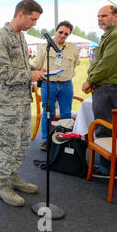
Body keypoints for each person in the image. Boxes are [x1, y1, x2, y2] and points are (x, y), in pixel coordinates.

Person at [0, 0, 46, 207]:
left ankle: (12, 176)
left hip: (22, 100)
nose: (34, 24)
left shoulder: (20, 37)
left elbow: (20, 66)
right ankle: (1, 185)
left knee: (21, 142)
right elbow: (0, 72)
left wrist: (36, 71)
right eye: (32, 19)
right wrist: (30, 74)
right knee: (7, 144)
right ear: (20, 14)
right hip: (7, 102)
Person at [82, 5, 117, 177]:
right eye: (98, 16)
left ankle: (109, 170)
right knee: (109, 129)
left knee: (106, 130)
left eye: (104, 15)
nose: (100, 19)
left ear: (116, 17)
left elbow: (107, 64)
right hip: (104, 88)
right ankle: (113, 167)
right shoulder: (108, 36)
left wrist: (90, 80)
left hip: (109, 89)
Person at [33, 21, 80, 151]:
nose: (63, 35)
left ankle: (63, 139)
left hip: (66, 85)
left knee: (66, 113)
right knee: (47, 113)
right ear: (55, 31)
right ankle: (46, 140)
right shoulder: (44, 47)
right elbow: (37, 66)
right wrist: (41, 70)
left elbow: (75, 63)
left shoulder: (73, 48)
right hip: (49, 85)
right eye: (60, 32)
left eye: (66, 34)